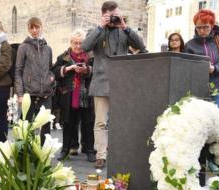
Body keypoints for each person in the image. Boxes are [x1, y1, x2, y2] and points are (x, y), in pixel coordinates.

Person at [81, 1, 146, 168]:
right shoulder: (96, 31)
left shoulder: (123, 30)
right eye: (113, 15)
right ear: (104, 14)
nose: (116, 18)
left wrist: (125, 27)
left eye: (118, 14)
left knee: (120, 121)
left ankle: (119, 152)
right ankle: (101, 155)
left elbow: (141, 46)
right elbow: (85, 46)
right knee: (100, 122)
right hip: (101, 82)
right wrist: (101, 26)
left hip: (121, 81)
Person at [52, 29, 96, 163]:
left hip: (86, 95)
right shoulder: (63, 57)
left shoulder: (91, 57)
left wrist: (87, 70)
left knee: (88, 123)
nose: (77, 46)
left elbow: (98, 71)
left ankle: (89, 150)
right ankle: (65, 150)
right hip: (68, 95)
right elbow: (54, 71)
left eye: (80, 43)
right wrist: (67, 69)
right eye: (75, 43)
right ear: (70, 43)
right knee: (68, 123)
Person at [15, 17, 55, 144]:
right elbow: (18, 71)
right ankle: (24, 155)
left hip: (46, 93)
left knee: (45, 126)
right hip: (29, 93)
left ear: (41, 27)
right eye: (31, 27)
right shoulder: (23, 47)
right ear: (28, 29)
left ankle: (43, 155)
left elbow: (50, 68)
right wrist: (20, 94)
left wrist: (51, 78)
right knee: (25, 126)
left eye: (37, 27)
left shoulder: (48, 49)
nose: (34, 30)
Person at [184, 9, 219, 110]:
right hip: (195, 88)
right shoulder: (189, 45)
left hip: (216, 87)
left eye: (206, 27)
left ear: (212, 26)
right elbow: (185, 68)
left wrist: (215, 68)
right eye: (199, 28)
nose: (202, 31)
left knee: (215, 118)